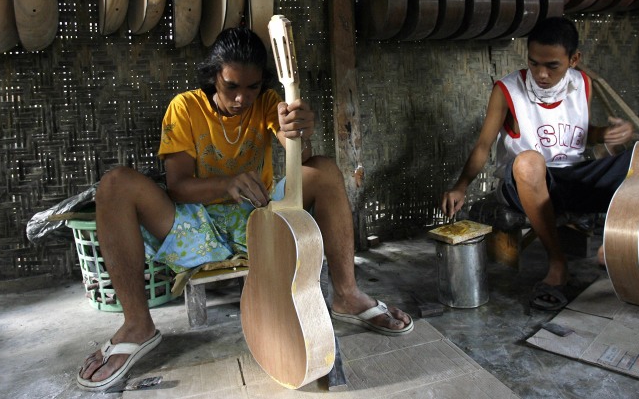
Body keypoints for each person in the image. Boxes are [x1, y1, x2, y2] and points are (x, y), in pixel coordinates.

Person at [77, 27, 412, 392]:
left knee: (325, 169)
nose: (242, 98)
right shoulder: (186, 107)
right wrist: (225, 184)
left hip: (260, 216)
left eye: (251, 87)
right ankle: (138, 324)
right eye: (232, 86)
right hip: (196, 223)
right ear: (213, 77)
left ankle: (346, 295)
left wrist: (297, 129)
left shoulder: (268, 103)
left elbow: (293, 144)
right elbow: (177, 186)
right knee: (114, 184)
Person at [440, 17, 639, 311]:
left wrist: (604, 134)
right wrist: (461, 186)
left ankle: (629, 247)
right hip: (528, 183)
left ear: (574, 59)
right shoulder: (507, 91)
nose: (541, 73)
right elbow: (483, 146)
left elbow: (578, 134)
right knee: (528, 163)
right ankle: (557, 264)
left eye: (552, 65)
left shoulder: (582, 83)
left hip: (575, 176)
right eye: (534, 63)